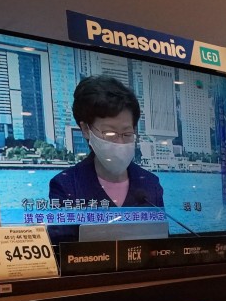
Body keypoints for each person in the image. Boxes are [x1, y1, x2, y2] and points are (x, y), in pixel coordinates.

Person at [48, 75, 163, 210]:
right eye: (110, 134)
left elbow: (160, 224)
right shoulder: (66, 185)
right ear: (86, 130)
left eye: (127, 134)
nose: (120, 143)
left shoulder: (150, 183)